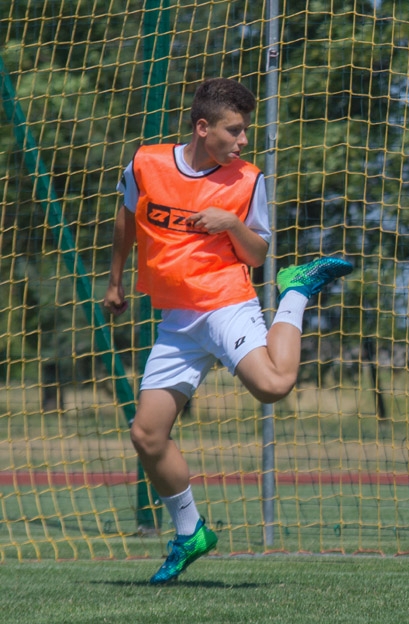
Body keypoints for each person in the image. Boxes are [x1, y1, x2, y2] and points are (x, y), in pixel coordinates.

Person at [102, 78, 352, 584]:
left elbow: (257, 254)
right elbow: (125, 217)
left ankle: (297, 290)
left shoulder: (248, 180)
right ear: (202, 127)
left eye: (244, 132)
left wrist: (231, 225)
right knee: (147, 435)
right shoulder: (145, 163)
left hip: (226, 303)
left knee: (274, 385)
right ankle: (190, 531)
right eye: (233, 131)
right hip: (177, 317)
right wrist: (115, 280)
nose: (242, 141)